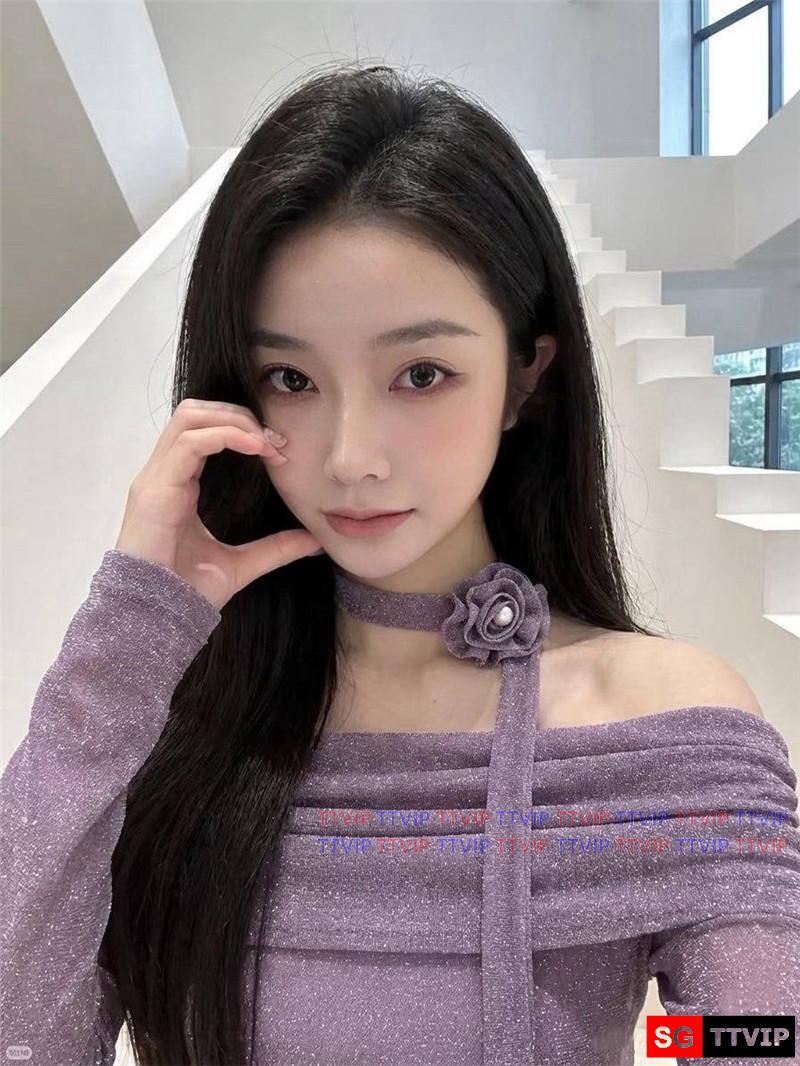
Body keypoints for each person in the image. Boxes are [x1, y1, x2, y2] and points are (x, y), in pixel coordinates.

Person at [2, 61, 798, 1066]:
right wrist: (129, 625)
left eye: (420, 373)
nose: (350, 457)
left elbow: (752, 1041)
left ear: (526, 376)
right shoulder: (168, 717)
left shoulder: (661, 721)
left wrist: (660, 1048)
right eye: (291, 377)